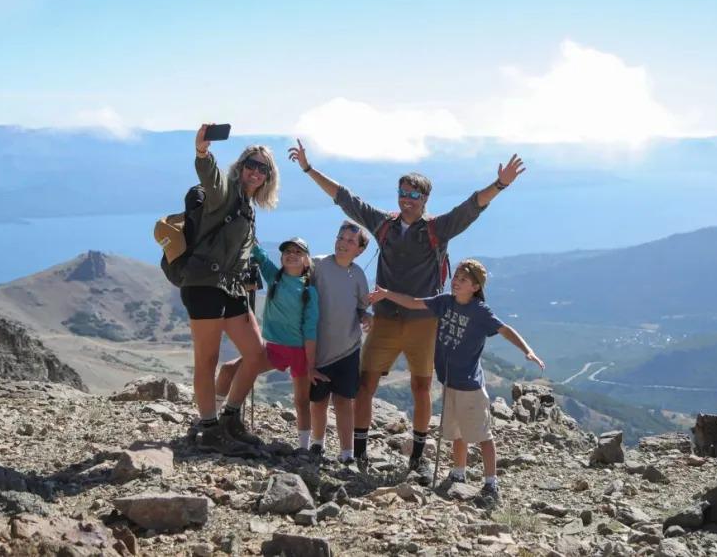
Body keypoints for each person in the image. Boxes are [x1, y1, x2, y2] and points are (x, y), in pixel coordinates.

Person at [288, 138, 525, 483]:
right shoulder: (384, 223)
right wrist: (309, 169)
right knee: (365, 385)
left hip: (423, 321)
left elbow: (471, 207)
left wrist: (500, 184)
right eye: (403, 192)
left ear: (425, 199)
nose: (407, 199)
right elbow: (345, 198)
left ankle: (417, 458)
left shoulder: (436, 229)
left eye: (414, 194)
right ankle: (359, 453)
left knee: (421, 388)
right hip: (386, 318)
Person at [368, 259, 544, 507]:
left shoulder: (480, 311)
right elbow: (414, 302)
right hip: (449, 382)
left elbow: (505, 330)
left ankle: (491, 483)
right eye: (456, 277)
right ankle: (458, 473)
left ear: (475, 287)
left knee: (482, 435)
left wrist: (527, 350)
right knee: (456, 433)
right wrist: (387, 294)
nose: (456, 282)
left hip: (470, 386)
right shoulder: (445, 302)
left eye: (463, 279)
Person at [184, 124, 278, 454]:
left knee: (257, 353)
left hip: (232, 288)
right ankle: (209, 428)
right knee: (207, 359)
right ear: (241, 166)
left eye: (263, 168)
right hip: (204, 286)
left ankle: (230, 417)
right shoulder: (224, 193)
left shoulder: (248, 207)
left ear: (268, 177)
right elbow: (211, 177)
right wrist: (202, 152)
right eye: (251, 164)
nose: (256, 171)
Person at [220, 237, 322, 449]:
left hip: (300, 352)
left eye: (298, 252)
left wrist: (311, 364)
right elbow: (261, 257)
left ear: (307, 260)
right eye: (287, 251)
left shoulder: (309, 291)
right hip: (274, 348)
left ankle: (304, 448)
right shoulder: (274, 277)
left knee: (301, 401)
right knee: (228, 369)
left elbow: (311, 330)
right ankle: (212, 420)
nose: (292, 255)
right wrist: (249, 237)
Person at [308, 220, 372, 463]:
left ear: (360, 250)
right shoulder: (318, 264)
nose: (343, 243)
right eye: (340, 238)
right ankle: (317, 444)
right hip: (319, 349)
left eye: (350, 241)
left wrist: (366, 316)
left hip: (348, 349)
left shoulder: (358, 275)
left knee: (344, 402)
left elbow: (361, 307)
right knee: (318, 401)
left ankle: (347, 454)